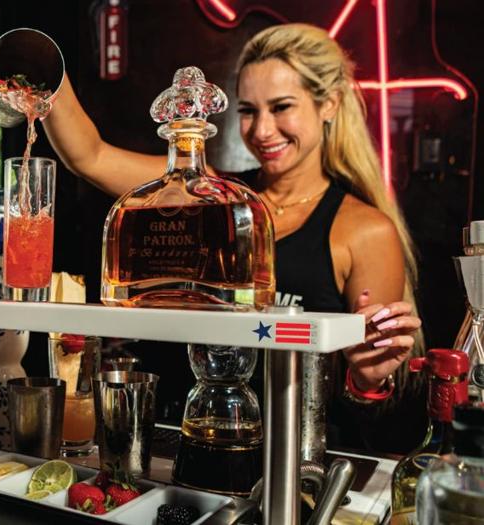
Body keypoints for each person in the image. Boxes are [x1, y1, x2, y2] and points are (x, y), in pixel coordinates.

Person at [40, 23, 426, 453]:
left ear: (329, 104)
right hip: (183, 439)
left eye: (281, 107)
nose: (262, 130)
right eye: (248, 110)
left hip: (293, 460)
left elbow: (373, 415)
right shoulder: (207, 197)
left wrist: (366, 380)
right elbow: (89, 156)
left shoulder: (364, 229)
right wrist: (38, 64)